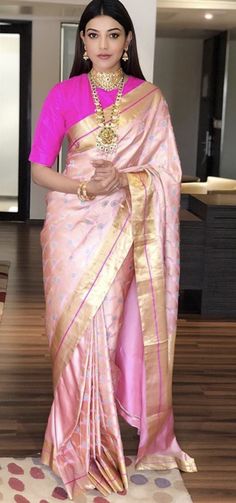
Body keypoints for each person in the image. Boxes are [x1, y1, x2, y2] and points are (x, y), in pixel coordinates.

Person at [29, 0, 197, 499]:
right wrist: (83, 189)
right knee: (72, 331)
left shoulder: (149, 99)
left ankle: (92, 443)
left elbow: (168, 173)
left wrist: (122, 180)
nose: (103, 45)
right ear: (82, 41)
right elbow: (39, 168)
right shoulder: (63, 94)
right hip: (68, 226)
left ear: (127, 42)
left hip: (123, 223)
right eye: (94, 34)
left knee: (100, 329)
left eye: (113, 35)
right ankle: (70, 442)